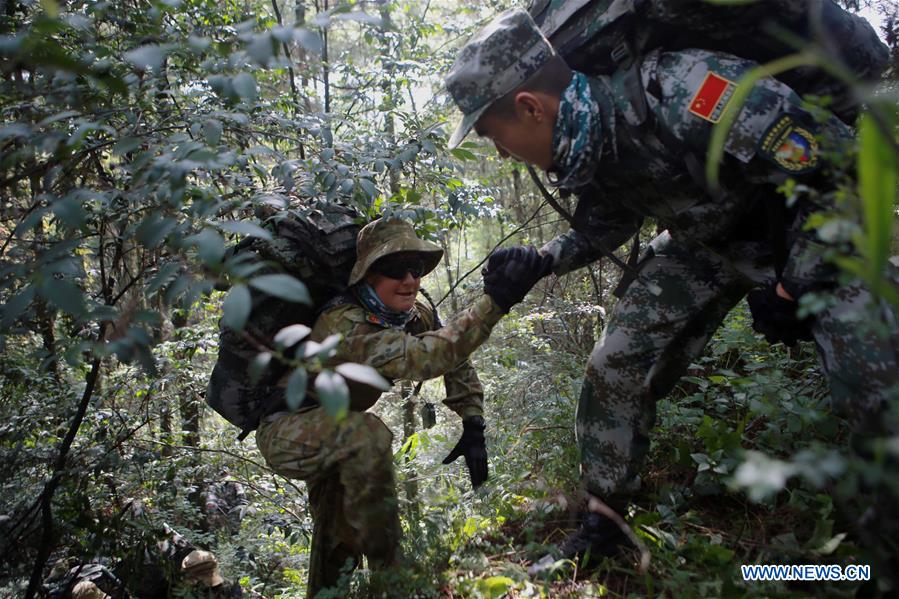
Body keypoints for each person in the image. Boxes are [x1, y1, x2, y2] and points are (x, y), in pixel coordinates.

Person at [445, 9, 899, 566]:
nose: (499, 152)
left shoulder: (688, 89)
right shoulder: (590, 138)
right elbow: (609, 220)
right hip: (705, 245)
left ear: (530, 108)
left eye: (494, 134)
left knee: (876, 375)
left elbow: (839, 170)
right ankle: (605, 523)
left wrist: (794, 285)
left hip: (804, 236)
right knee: (614, 365)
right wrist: (540, 260)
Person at [254, 217, 548, 596]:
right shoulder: (343, 324)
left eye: (417, 268)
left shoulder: (411, 313)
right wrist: (496, 302)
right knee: (369, 432)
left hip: (336, 432)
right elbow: (428, 356)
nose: (410, 280)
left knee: (336, 534)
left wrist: (472, 419)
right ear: (366, 276)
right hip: (288, 431)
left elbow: (451, 351)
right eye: (394, 269)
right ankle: (393, 582)